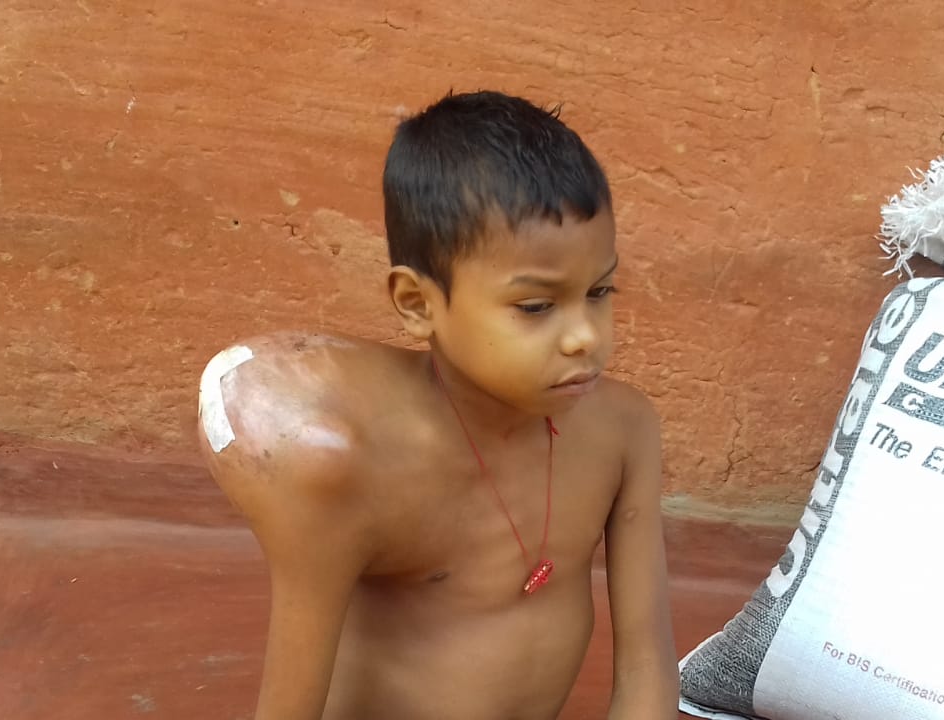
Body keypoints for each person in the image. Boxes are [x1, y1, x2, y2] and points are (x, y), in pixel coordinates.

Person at [197, 90, 678, 719]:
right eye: (536, 306)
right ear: (418, 304)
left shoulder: (622, 432)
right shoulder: (357, 468)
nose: (584, 335)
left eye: (599, 291)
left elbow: (645, 667)